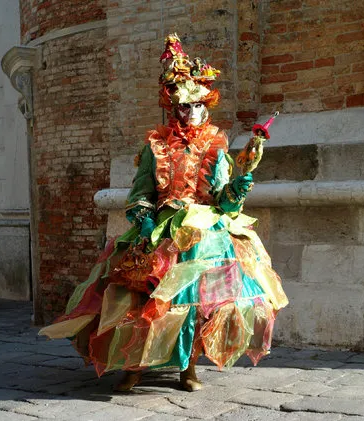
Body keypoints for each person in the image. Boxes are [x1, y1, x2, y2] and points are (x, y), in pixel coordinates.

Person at [39, 33, 288, 392]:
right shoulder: (154, 147)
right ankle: (136, 365)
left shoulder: (217, 148)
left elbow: (223, 202)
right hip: (159, 229)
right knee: (142, 298)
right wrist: (146, 220)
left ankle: (188, 367)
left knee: (195, 302)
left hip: (203, 231)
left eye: (196, 106)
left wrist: (241, 182)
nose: (189, 113)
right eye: (182, 107)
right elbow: (140, 193)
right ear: (173, 109)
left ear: (207, 106)